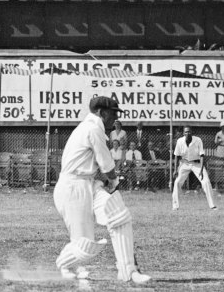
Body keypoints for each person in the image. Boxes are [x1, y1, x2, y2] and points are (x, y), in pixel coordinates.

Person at [52, 96, 150, 283]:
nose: (115, 117)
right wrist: (113, 181)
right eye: (112, 113)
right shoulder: (91, 128)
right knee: (85, 246)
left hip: (88, 183)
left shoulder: (93, 128)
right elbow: (106, 163)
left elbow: (100, 164)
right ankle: (64, 264)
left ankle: (129, 271)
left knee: (119, 215)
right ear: (100, 112)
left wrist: (110, 183)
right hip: (72, 188)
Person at [172, 126, 217, 211]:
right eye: (185, 132)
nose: (187, 133)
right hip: (184, 163)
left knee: (206, 182)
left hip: (197, 164)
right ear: (183, 133)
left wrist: (201, 170)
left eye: (189, 132)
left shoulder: (198, 140)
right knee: (177, 182)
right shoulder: (179, 141)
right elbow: (176, 156)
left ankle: (212, 205)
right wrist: (175, 170)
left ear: (191, 132)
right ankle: (175, 206)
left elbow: (202, 155)